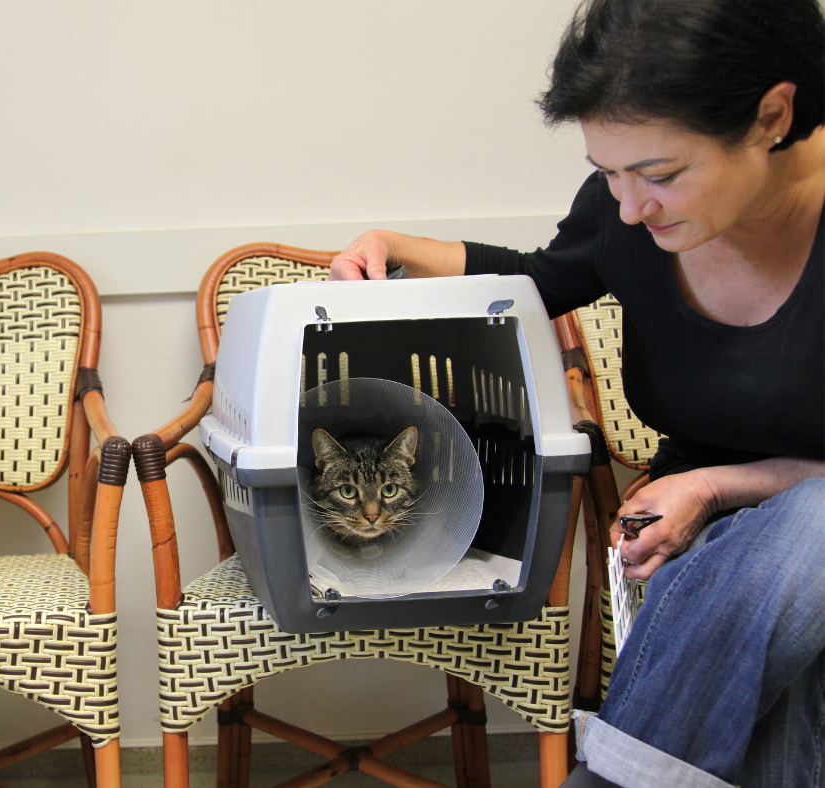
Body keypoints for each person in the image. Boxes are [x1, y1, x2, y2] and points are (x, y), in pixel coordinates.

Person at [329, 0, 825, 786]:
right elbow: (542, 277)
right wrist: (394, 246)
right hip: (711, 542)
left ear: (773, 115)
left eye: (659, 175)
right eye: (609, 174)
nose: (629, 209)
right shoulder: (630, 213)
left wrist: (716, 484)